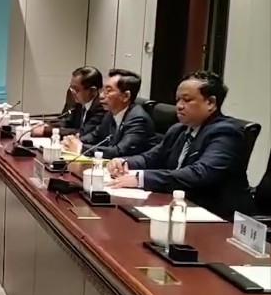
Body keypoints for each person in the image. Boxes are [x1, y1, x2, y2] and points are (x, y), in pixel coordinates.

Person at [107, 71, 256, 218]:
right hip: (178, 208)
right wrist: (125, 162)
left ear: (210, 103)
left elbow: (199, 173)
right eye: (178, 100)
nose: (179, 106)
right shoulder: (179, 130)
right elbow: (151, 158)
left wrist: (140, 178)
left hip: (217, 217)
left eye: (186, 100)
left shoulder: (226, 133)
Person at [62, 69, 154, 159]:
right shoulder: (110, 114)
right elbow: (95, 136)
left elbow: (120, 151)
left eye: (108, 91)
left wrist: (81, 148)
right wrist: (73, 141)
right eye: (102, 90)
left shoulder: (138, 119)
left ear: (126, 96)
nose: (101, 96)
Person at [34, 66, 107, 137]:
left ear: (93, 91)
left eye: (76, 89)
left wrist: (46, 131)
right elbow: (69, 122)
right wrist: (47, 125)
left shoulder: (101, 107)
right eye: (71, 87)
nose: (72, 92)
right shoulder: (80, 102)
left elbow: (83, 132)